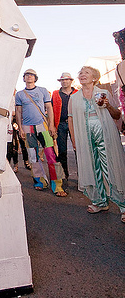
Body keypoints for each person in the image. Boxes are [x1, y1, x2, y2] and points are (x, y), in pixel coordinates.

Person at [68, 66, 125, 223]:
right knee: (93, 167)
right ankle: (100, 202)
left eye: (86, 73)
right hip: (85, 137)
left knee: (111, 166)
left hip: (106, 136)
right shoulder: (74, 98)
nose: (82, 75)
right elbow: (71, 119)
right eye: (80, 73)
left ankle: (123, 205)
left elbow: (117, 114)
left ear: (94, 77)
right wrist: (74, 141)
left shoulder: (104, 93)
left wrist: (107, 105)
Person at [15, 69, 67, 197]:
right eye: (26, 75)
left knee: (51, 156)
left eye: (31, 75)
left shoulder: (43, 90)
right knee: (33, 157)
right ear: (24, 78)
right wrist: (20, 129)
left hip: (42, 126)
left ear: (35, 78)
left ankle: (57, 185)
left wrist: (51, 125)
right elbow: (18, 112)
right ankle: (40, 182)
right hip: (28, 128)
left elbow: (49, 108)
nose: (29, 77)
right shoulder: (20, 94)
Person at [51, 72, 78, 180]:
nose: (65, 81)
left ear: (71, 81)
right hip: (61, 124)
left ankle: (82, 176)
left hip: (75, 123)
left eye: (67, 79)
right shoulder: (56, 93)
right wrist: (52, 125)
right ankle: (64, 175)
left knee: (78, 149)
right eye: (63, 80)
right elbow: (51, 110)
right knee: (62, 151)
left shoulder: (77, 93)